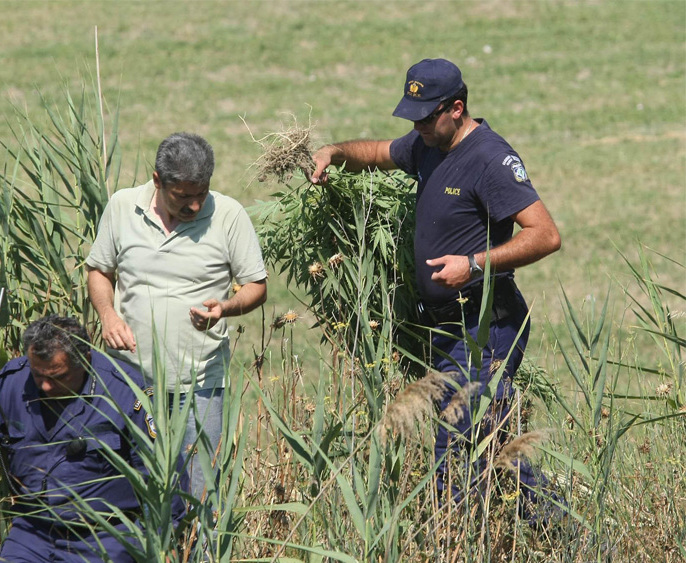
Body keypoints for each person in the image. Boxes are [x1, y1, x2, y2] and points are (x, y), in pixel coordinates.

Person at [310, 58, 562, 518]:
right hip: (446, 331)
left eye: (426, 116)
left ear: (457, 108)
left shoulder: (489, 159)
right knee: (492, 450)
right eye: (413, 116)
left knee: (454, 446)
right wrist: (334, 152)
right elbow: (381, 152)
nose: (418, 125)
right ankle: (564, 535)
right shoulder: (429, 144)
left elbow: (545, 235)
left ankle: (462, 559)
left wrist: (473, 264)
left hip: (486, 325)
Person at [0, 315, 185, 563]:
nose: (46, 385)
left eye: (57, 376)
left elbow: (162, 473)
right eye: (39, 375)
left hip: (104, 536)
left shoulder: (126, 392)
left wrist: (160, 545)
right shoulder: (13, 380)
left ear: (85, 360)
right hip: (33, 529)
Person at [86, 132, 268, 502]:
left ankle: (200, 561)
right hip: (130, 383)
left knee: (201, 496)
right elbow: (99, 271)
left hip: (199, 383)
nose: (195, 206)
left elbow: (256, 286)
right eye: (183, 196)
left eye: (201, 193)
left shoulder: (228, 215)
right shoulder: (122, 207)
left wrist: (226, 308)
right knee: (132, 493)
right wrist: (107, 316)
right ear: (157, 180)